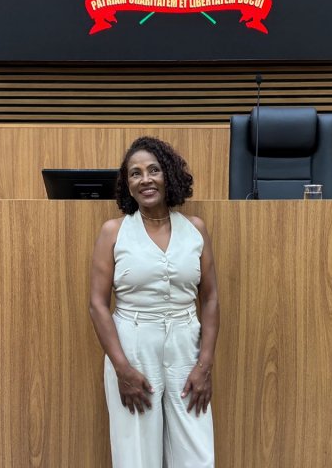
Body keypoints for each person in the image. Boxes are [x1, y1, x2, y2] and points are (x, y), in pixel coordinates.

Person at [89, 136, 220, 467]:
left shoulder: (195, 229)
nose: (145, 179)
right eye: (135, 173)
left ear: (168, 175)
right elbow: (98, 305)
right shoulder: (113, 232)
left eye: (153, 170)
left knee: (197, 456)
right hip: (132, 349)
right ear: (128, 184)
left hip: (186, 348)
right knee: (136, 456)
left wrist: (204, 366)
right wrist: (122, 369)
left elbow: (210, 299)